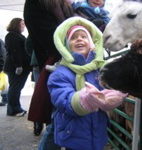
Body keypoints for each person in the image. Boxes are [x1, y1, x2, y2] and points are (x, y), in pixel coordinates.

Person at [48, 16, 127, 150]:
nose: (79, 39)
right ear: (66, 46)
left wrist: (113, 94)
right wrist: (84, 100)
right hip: (73, 134)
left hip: (98, 132)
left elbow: (108, 88)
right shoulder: (60, 74)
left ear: (92, 43)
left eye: (84, 37)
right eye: (73, 38)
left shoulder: (99, 69)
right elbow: (62, 99)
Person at [24, 0, 74, 141]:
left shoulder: (66, 4)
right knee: (56, 119)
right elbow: (48, 36)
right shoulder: (37, 3)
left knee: (67, 117)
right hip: (53, 65)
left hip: (70, 63)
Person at [4, 18, 31, 117]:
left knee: (16, 88)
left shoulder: (18, 35)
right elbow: (15, 51)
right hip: (15, 67)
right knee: (15, 88)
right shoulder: (11, 35)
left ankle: (15, 108)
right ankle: (14, 109)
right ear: (16, 25)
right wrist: (18, 65)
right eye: (22, 24)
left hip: (20, 66)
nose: (24, 26)